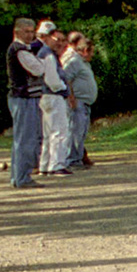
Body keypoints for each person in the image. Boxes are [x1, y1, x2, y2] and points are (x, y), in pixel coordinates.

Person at [5, 18, 49, 189]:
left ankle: (18, 177)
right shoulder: (19, 50)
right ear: (17, 32)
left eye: (32, 32)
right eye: (27, 32)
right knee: (26, 140)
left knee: (22, 139)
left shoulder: (25, 49)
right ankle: (22, 177)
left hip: (25, 98)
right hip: (23, 98)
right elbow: (38, 69)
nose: (30, 35)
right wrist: (43, 63)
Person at [59, 31, 99, 170]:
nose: (93, 55)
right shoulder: (74, 61)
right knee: (75, 132)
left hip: (85, 103)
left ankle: (78, 158)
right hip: (78, 103)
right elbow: (66, 78)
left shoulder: (83, 62)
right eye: (92, 51)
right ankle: (72, 160)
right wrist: (71, 98)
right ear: (85, 50)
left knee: (81, 132)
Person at [36, 21, 72, 173]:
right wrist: (63, 88)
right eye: (53, 37)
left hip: (45, 96)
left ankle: (45, 164)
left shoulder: (42, 52)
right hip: (54, 96)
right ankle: (57, 164)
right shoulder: (48, 54)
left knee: (48, 133)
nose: (57, 41)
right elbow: (52, 79)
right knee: (59, 131)